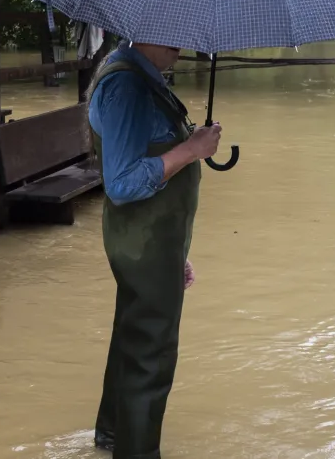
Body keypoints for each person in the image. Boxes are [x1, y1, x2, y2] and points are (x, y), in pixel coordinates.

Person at [87, 40, 221, 458]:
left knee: (132, 335)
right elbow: (123, 184)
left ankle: (112, 435)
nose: (182, 46)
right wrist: (191, 149)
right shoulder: (127, 86)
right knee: (153, 355)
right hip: (143, 242)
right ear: (145, 30)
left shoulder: (138, 75)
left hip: (150, 242)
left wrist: (176, 250)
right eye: (174, 36)